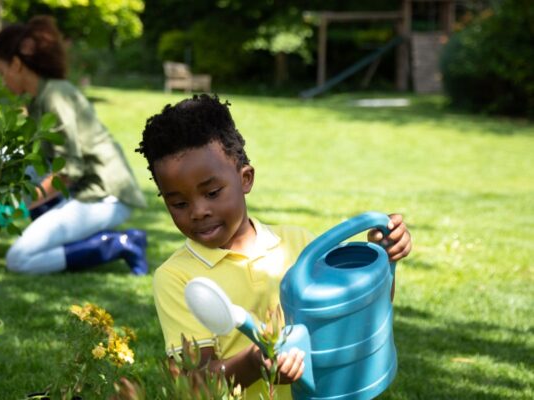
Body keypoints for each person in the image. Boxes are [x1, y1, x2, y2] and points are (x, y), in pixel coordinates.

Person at [137, 94, 412, 398]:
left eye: (212, 192)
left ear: (245, 179)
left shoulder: (300, 245)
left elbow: (362, 317)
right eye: (179, 202)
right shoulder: (177, 278)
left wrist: (384, 262)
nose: (198, 210)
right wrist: (255, 362)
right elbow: (194, 383)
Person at [0, 16, 149, 275]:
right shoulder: (39, 99)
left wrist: (19, 206)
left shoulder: (56, 96)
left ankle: (120, 244)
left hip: (104, 195)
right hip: (84, 191)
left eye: (2, 72)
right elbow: (40, 163)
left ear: (17, 65)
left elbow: (67, 173)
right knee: (15, 163)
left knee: (18, 259)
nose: (2, 81)